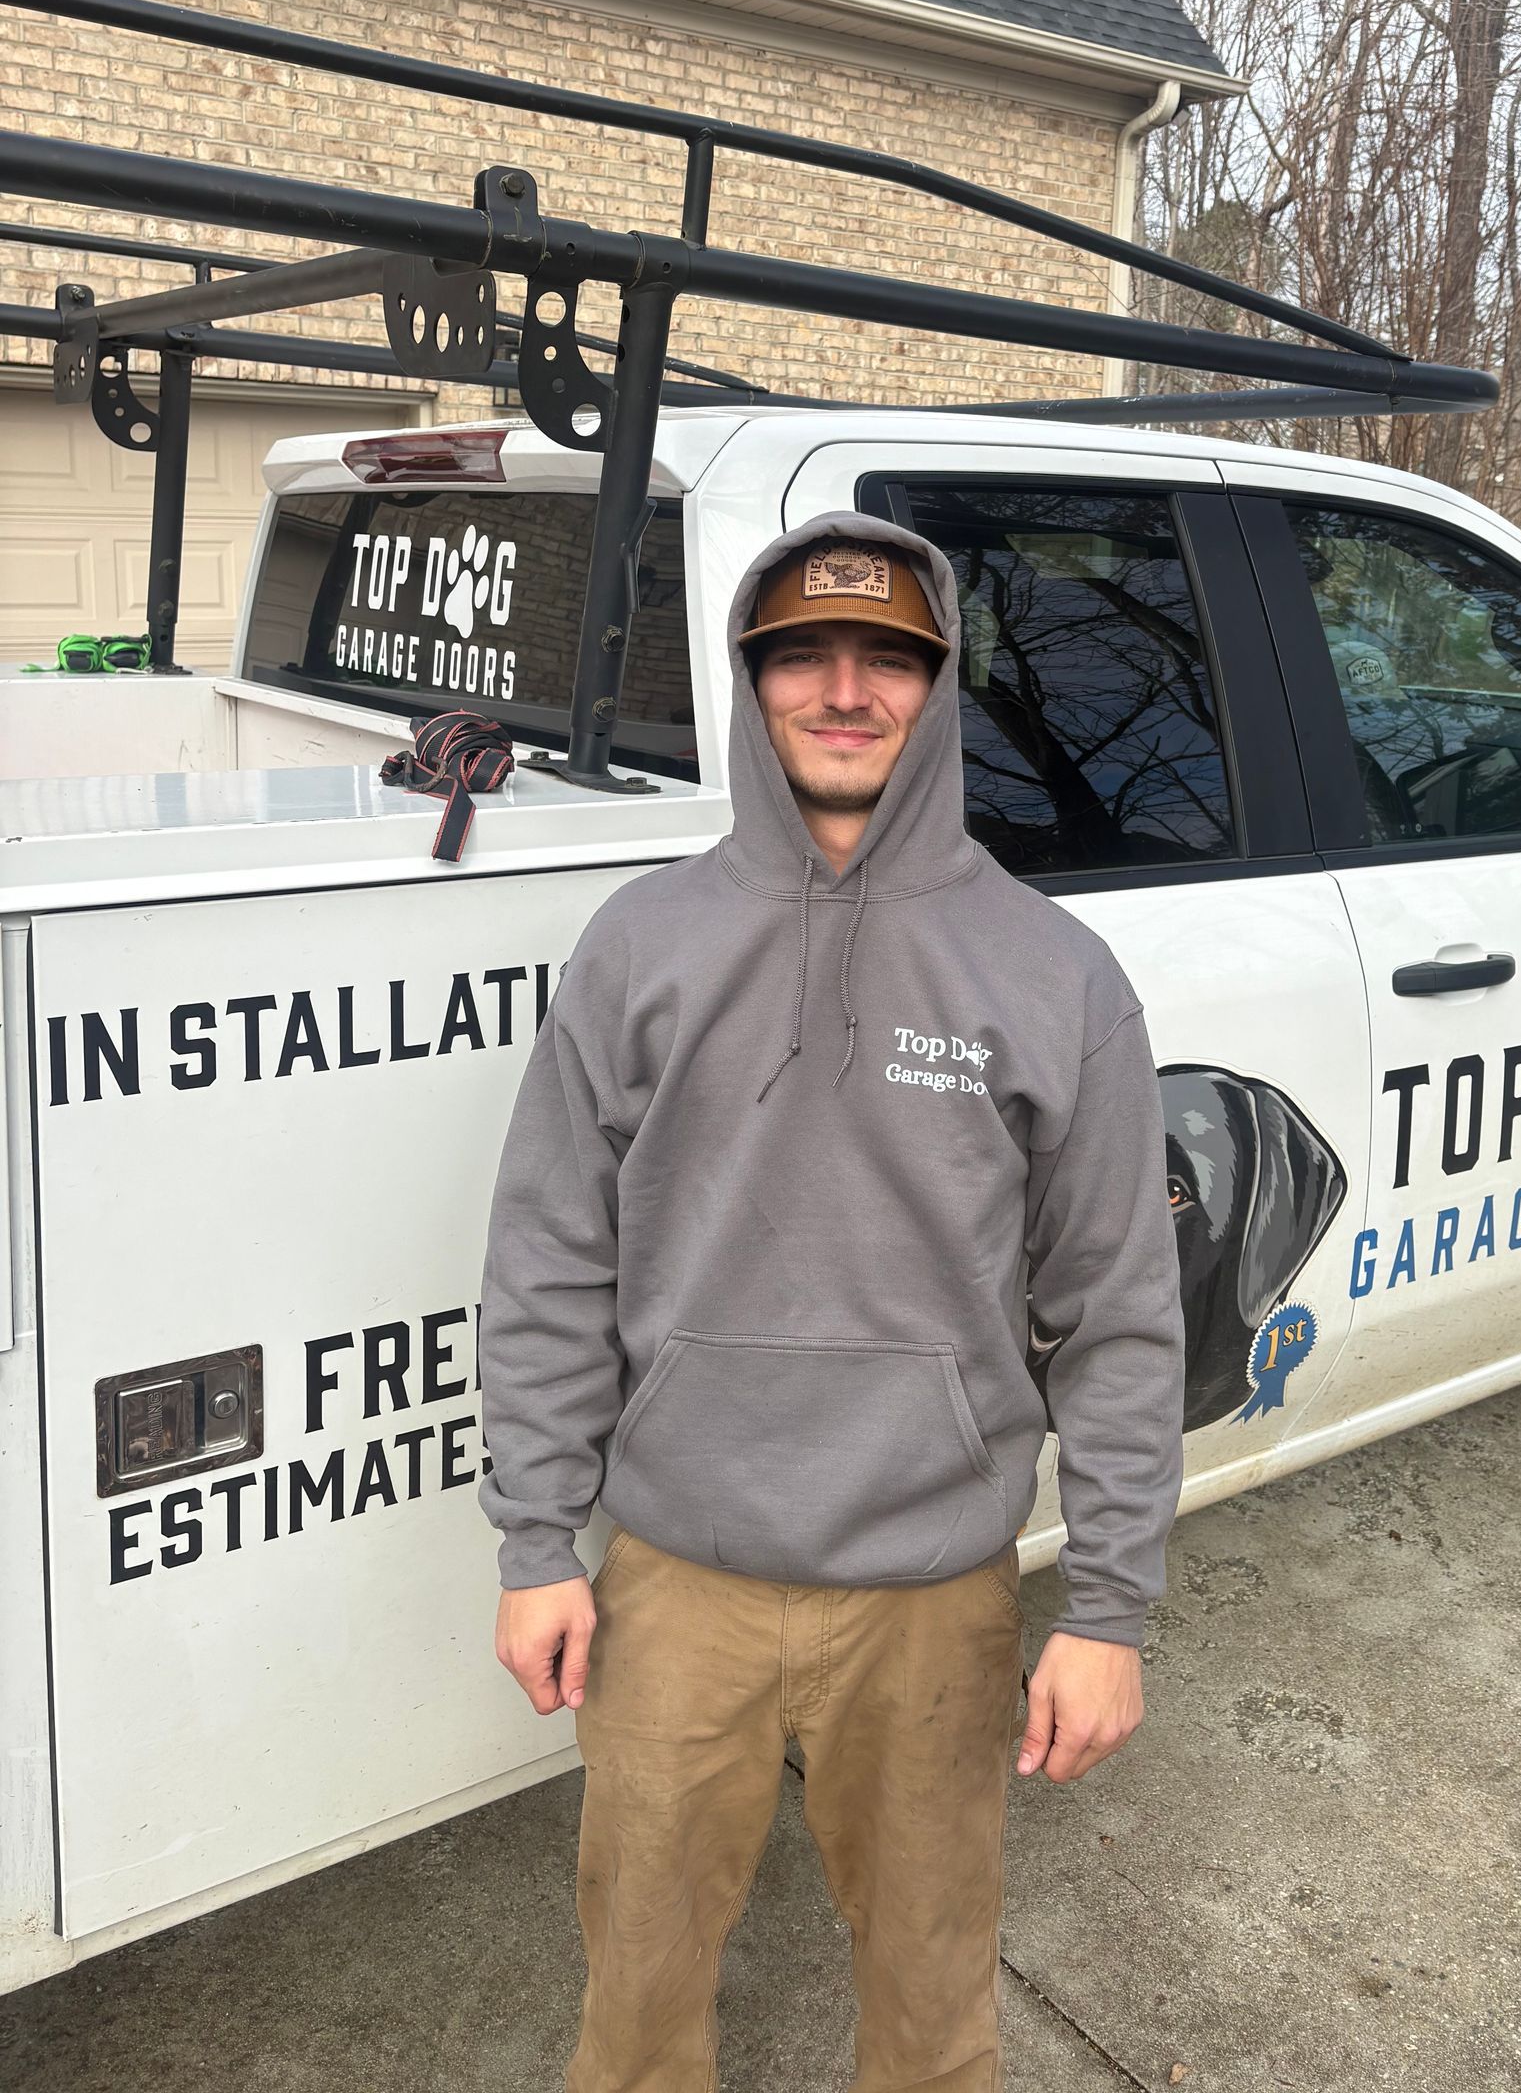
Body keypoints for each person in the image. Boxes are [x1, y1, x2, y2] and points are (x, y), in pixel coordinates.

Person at [477, 510, 1186, 2093]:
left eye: (890, 659)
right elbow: (545, 1261)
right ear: (751, 683)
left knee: (934, 2023)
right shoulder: (640, 946)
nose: (845, 691)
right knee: (637, 2012)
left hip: (933, 1592)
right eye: (804, 654)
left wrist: (1112, 1612)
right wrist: (538, 1543)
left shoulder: (1053, 974)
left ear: (940, 693)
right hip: (674, 1584)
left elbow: (1121, 1315)